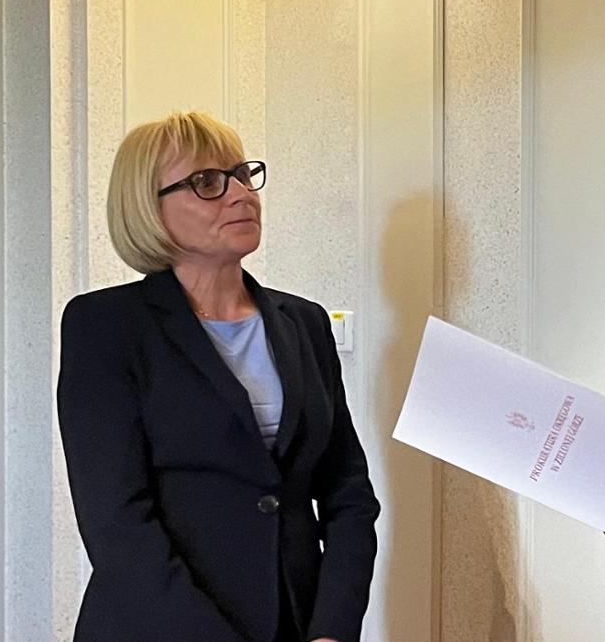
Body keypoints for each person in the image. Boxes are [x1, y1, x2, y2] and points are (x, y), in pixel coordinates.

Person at [57, 111, 379, 642]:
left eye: (242, 174)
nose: (241, 194)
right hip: (160, 628)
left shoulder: (305, 322)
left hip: (295, 624)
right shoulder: (106, 325)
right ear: (148, 207)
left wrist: (332, 630)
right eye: (207, 182)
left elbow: (348, 493)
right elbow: (116, 521)